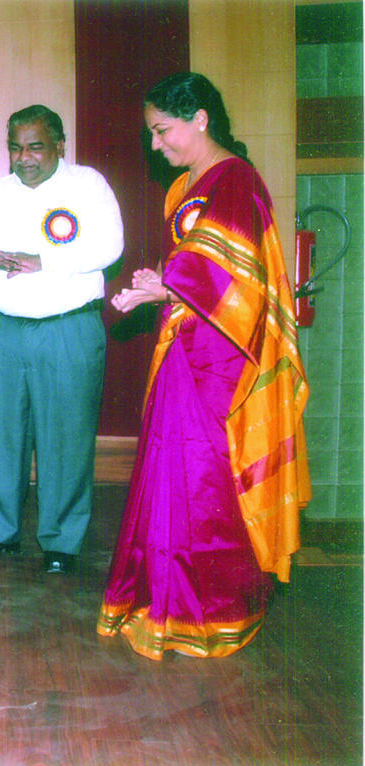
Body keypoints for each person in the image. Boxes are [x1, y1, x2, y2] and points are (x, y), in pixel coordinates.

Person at [97, 72, 309, 659]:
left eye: (163, 131)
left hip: (218, 359)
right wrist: (160, 286)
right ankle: (162, 601)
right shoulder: (189, 184)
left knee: (204, 478)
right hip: (184, 347)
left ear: (200, 119)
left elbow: (240, 274)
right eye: (152, 135)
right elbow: (192, 266)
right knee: (171, 473)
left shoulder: (236, 179)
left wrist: (166, 288)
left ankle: (210, 610)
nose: (156, 145)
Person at [0, 105, 123, 574]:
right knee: (4, 434)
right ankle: (1, 531)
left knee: (66, 436)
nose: (24, 157)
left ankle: (61, 541)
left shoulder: (88, 186)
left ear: (59, 146)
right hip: (6, 330)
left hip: (68, 327)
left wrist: (41, 260)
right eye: (15, 147)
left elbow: (110, 245)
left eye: (35, 146)